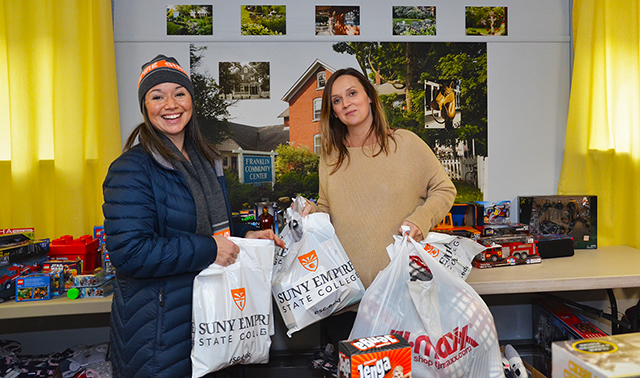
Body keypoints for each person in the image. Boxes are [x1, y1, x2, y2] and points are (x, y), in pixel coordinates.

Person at [102, 54, 284, 378]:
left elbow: (215, 224)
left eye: (179, 93)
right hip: (158, 337)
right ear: (145, 107)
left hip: (211, 324)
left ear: (191, 101)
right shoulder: (131, 168)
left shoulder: (205, 161)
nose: (170, 104)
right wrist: (210, 249)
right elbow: (130, 253)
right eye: (157, 96)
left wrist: (247, 234)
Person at [305, 67, 456, 350]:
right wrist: (309, 214)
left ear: (370, 97)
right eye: (336, 100)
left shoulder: (406, 144)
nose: (346, 103)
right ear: (333, 112)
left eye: (352, 93)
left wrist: (421, 219)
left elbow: (444, 189)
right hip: (346, 303)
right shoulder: (330, 155)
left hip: (403, 298)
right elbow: (328, 208)